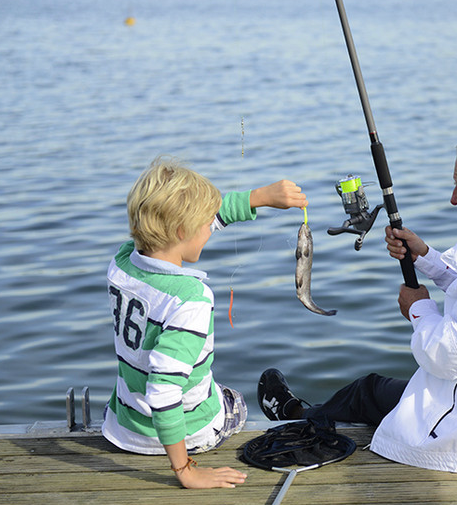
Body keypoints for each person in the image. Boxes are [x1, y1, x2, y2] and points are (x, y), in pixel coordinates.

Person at [258, 129, 457, 473]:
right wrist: (425, 257)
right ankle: (305, 413)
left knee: (366, 391)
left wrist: (418, 308)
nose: (453, 199)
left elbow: (444, 358)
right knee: (376, 392)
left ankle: (294, 415)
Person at [102, 155, 307, 488]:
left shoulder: (123, 262)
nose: (211, 227)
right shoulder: (190, 299)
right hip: (182, 436)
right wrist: (185, 470)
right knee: (233, 401)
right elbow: (163, 390)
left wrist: (260, 197)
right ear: (182, 230)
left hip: (124, 424)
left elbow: (188, 222)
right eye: (206, 223)